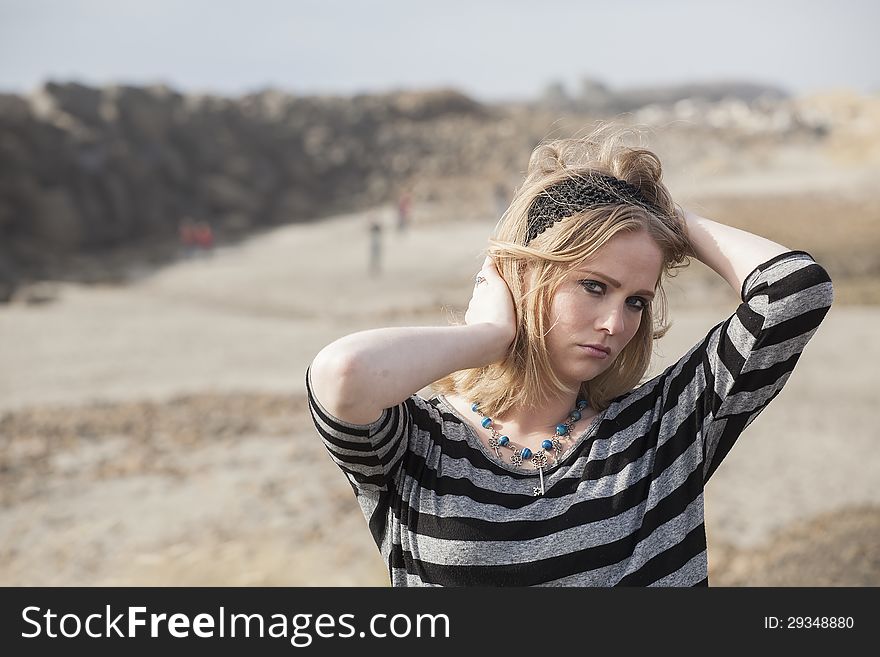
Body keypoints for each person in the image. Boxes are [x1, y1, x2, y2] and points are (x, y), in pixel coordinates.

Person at [306, 125, 834, 587]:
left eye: (636, 301)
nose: (616, 324)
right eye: (593, 286)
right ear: (525, 278)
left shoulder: (665, 429)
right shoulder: (419, 445)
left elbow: (794, 291)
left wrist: (659, 209)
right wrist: (490, 334)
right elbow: (343, 376)